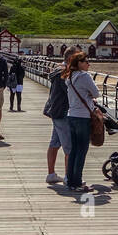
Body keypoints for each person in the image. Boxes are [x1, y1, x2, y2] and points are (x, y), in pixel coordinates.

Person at [62, 50, 99, 194]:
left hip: (72, 116)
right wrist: (89, 94)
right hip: (83, 117)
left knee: (73, 150)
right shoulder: (84, 76)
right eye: (86, 61)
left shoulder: (69, 76)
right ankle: (77, 183)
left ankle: (71, 181)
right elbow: (96, 93)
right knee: (82, 151)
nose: (89, 64)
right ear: (79, 63)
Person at [42, 53, 72, 184]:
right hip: (62, 111)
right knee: (69, 147)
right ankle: (69, 177)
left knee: (54, 143)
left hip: (55, 110)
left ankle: (51, 174)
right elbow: (70, 93)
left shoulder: (57, 70)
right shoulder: (64, 73)